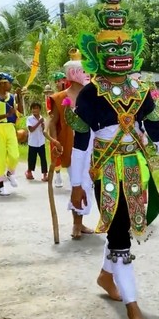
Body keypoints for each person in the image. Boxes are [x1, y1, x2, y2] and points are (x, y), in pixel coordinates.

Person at [69, 0, 159, 319]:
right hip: (106, 170)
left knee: (122, 227)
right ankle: (133, 306)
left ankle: (106, 276)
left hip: (136, 167)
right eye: (111, 50)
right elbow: (81, 144)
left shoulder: (141, 91)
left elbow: (158, 134)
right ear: (97, 54)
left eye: (124, 49)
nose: (120, 55)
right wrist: (76, 184)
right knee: (119, 229)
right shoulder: (89, 95)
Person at [47, 48, 95, 239]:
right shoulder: (59, 98)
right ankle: (76, 223)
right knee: (78, 182)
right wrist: (54, 141)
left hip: (94, 146)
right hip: (71, 146)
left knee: (89, 183)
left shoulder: (94, 96)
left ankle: (85, 221)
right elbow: (52, 122)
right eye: (84, 71)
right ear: (73, 73)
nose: (88, 75)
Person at [0, 72, 22, 195]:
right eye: (9, 83)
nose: (10, 85)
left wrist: (19, 97)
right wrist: (6, 115)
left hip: (10, 128)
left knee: (14, 154)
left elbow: (19, 111)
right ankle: (0, 186)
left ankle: (10, 172)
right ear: (2, 84)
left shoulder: (11, 98)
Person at [25, 102, 48, 181]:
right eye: (33, 108)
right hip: (33, 142)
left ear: (39, 109)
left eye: (36, 108)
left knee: (43, 159)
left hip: (41, 142)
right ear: (31, 110)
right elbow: (31, 129)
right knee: (32, 159)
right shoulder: (29, 119)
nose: (35, 110)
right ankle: (29, 172)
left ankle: (45, 174)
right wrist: (39, 122)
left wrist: (43, 126)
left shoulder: (43, 119)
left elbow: (45, 130)